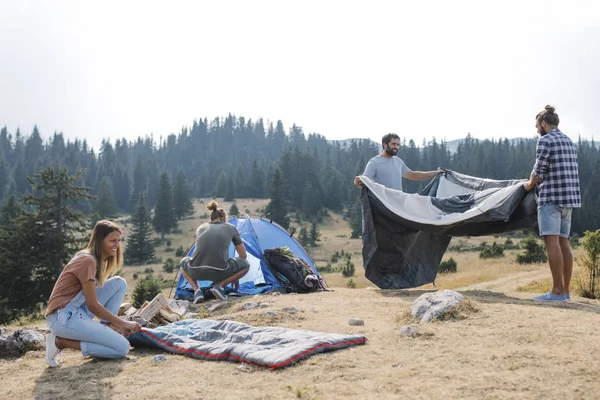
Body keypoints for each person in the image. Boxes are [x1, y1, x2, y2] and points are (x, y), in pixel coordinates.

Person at [45, 220, 142, 368]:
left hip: (76, 309)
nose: (117, 245)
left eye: (119, 240)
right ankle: (60, 342)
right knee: (122, 348)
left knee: (119, 283)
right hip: (62, 318)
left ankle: (107, 328)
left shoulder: (94, 259)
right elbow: (93, 306)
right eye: (112, 241)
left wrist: (114, 323)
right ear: (99, 241)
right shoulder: (87, 260)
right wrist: (122, 323)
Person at [523, 105, 581, 302]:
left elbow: (538, 172)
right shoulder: (569, 141)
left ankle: (556, 292)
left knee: (552, 242)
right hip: (569, 200)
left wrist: (528, 184)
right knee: (564, 242)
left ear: (544, 124)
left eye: (537, 125)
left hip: (551, 199)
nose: (536, 129)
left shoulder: (545, 141)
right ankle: (565, 291)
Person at [180, 200, 250, 303]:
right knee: (246, 265)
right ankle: (220, 286)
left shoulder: (201, 228)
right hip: (220, 271)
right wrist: (234, 274)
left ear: (211, 218)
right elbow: (243, 255)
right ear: (224, 219)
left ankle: (197, 291)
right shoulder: (231, 228)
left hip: (196, 271)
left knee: (183, 262)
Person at [354, 133, 443, 190]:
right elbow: (362, 182)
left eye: (398, 144)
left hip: (398, 206)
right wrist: (357, 183)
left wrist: (435, 173)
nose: (396, 147)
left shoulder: (398, 161)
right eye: (393, 144)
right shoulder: (374, 162)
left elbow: (413, 175)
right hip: (382, 207)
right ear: (385, 145)